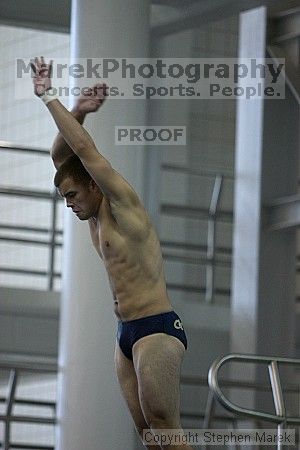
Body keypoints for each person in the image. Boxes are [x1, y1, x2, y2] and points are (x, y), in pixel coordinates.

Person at [31, 57, 193, 450]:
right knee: (149, 437)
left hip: (156, 328)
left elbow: (83, 150)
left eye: (71, 195)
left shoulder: (121, 203)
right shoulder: (92, 217)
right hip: (125, 332)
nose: (69, 204)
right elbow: (62, 155)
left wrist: (49, 96)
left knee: (166, 430)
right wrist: (79, 111)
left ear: (93, 185)